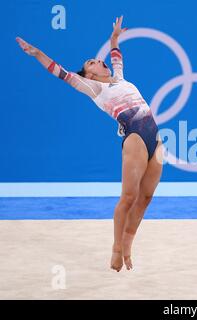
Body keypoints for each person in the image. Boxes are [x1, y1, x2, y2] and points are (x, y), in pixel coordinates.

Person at [16, 16, 163, 272]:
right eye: (91, 62)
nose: (98, 60)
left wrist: (114, 38)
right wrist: (37, 53)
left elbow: (116, 54)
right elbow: (60, 72)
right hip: (136, 137)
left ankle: (128, 247)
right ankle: (116, 249)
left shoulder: (119, 76)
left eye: (96, 58)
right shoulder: (94, 89)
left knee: (146, 197)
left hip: (155, 137)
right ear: (89, 74)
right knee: (129, 197)